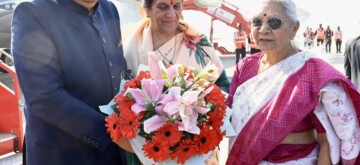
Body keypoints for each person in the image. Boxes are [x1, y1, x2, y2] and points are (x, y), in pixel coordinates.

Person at [226, 0, 360, 164]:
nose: (263, 30)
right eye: (257, 22)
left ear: (294, 28)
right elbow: (230, 122)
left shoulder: (312, 72)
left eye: (274, 22)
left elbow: (327, 140)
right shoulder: (245, 67)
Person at [11, 0, 128, 164]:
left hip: (114, 152)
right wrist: (110, 133)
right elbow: (44, 96)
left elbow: (119, 70)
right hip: (64, 155)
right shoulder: (33, 12)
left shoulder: (109, 9)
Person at [123, 0, 230, 164]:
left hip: (194, 147)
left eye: (176, 6)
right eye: (163, 7)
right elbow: (120, 98)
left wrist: (204, 117)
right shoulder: (130, 46)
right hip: (146, 149)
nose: (171, 14)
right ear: (147, 10)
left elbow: (222, 85)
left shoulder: (197, 41)